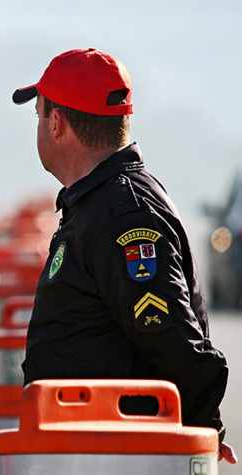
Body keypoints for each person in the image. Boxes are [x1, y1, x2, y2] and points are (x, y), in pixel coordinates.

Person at [12, 48, 236, 463]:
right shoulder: (98, 205)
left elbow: (172, 341)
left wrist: (199, 432)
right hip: (88, 455)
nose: (39, 126)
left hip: (115, 458)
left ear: (57, 123)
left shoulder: (122, 214)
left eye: (39, 114)